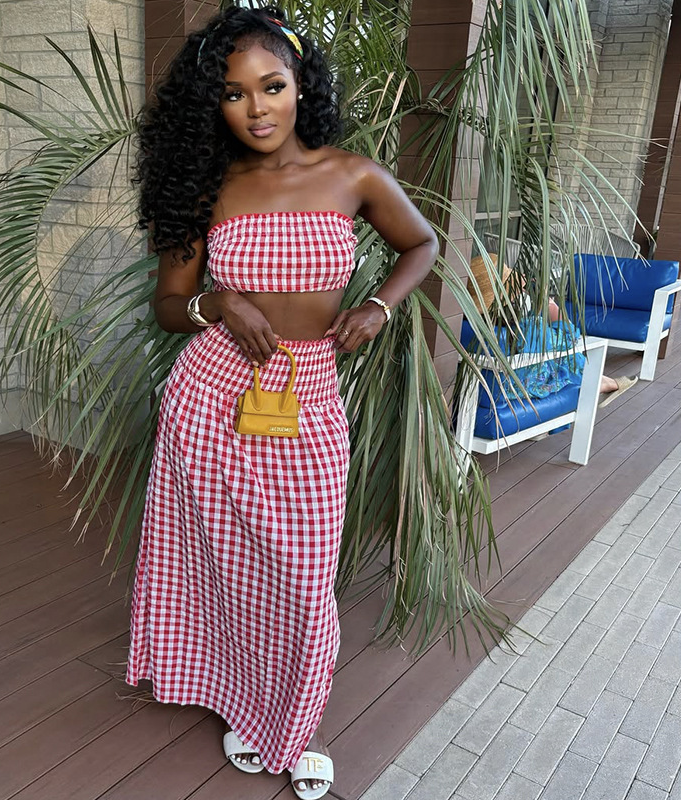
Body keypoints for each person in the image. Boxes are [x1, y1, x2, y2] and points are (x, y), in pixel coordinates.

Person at [126, 7, 438, 798]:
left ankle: (297, 722)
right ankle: (240, 699)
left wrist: (382, 306)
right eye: (234, 94)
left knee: (301, 571)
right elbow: (169, 306)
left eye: (272, 86)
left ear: (302, 85)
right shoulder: (205, 188)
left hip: (308, 394)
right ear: (214, 104)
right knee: (223, 565)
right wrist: (219, 303)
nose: (256, 108)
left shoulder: (354, 175)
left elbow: (422, 243)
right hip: (212, 400)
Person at [467, 254, 637, 410]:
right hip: (517, 388)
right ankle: (601, 383)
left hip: (484, 389)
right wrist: (547, 301)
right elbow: (570, 337)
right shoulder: (526, 331)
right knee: (565, 354)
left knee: (554, 352)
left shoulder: (468, 326)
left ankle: (603, 381)